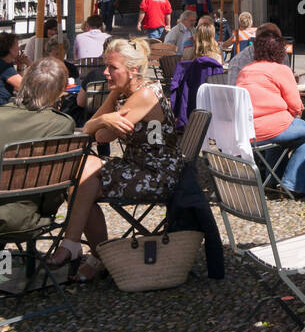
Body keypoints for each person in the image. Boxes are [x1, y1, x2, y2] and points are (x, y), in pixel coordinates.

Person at [46, 38, 184, 281]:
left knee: (83, 177)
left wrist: (102, 121)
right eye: (106, 66)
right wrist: (106, 113)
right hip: (136, 166)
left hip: (156, 174)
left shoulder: (145, 95)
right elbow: (91, 128)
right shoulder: (125, 92)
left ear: (132, 70)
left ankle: (85, 252)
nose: (105, 72)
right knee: (82, 176)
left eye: (112, 67)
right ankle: (89, 252)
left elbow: (100, 136)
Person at [0, 58, 76, 243]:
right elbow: (53, 189)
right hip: (22, 220)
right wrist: (47, 211)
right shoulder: (61, 124)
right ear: (60, 90)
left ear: (25, 81)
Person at [237, 28, 305, 197]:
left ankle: (273, 180)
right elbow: (296, 106)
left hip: (247, 131)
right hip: (272, 128)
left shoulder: (245, 70)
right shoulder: (281, 70)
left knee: (283, 136)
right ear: (280, 51)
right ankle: (293, 185)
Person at [169, 22, 225, 130]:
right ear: (212, 37)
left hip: (189, 95)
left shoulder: (187, 52)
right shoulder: (217, 57)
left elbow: (180, 77)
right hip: (209, 97)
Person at [0, 32, 24, 105]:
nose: (19, 48)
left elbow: (16, 87)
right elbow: (24, 87)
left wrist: (20, 67)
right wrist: (29, 63)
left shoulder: (6, 63)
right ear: (9, 48)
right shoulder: (5, 66)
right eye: (17, 45)